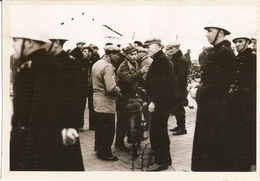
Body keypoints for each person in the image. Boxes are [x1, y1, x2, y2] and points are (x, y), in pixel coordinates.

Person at [10, 24, 69, 171]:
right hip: (40, 141)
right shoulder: (43, 64)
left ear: (29, 42)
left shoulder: (35, 67)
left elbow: (36, 112)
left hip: (34, 143)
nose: (13, 44)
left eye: (16, 40)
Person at [188, 19, 236, 171]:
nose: (206, 34)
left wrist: (198, 92)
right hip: (212, 108)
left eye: (210, 31)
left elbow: (220, 86)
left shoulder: (223, 53)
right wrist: (200, 85)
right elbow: (214, 79)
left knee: (212, 152)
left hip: (216, 110)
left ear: (220, 33)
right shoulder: (218, 51)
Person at [46, 31, 84, 171]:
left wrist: (69, 125)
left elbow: (74, 96)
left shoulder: (69, 63)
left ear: (56, 43)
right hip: (52, 122)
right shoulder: (49, 62)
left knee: (68, 162)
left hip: (64, 124)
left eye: (45, 42)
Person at [143, 38, 174, 171]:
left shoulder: (162, 61)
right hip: (161, 102)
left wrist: (154, 101)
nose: (147, 50)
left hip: (160, 103)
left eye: (148, 47)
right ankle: (164, 158)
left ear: (156, 47)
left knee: (157, 131)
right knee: (159, 130)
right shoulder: (161, 60)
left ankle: (161, 161)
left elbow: (163, 85)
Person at [227, 33, 256, 171]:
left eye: (240, 41)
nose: (237, 44)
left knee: (248, 128)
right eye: (235, 42)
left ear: (247, 42)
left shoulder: (253, 58)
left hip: (248, 99)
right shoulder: (238, 57)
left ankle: (250, 158)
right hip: (238, 98)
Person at [115, 44, 149, 151]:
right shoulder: (123, 66)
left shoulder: (134, 63)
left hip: (132, 94)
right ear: (126, 55)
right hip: (123, 96)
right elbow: (128, 79)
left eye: (135, 54)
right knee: (123, 120)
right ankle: (119, 142)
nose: (134, 56)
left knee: (137, 115)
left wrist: (142, 86)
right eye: (132, 54)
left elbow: (137, 80)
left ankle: (134, 137)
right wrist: (141, 72)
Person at [92, 45, 122, 161]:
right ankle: (105, 153)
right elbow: (110, 88)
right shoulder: (108, 66)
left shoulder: (97, 63)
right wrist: (118, 90)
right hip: (106, 101)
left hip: (97, 99)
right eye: (117, 55)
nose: (118, 57)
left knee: (100, 127)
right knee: (108, 129)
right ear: (111, 54)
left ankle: (99, 150)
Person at [168, 41, 189, 135]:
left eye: (171, 48)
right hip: (176, 88)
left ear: (177, 48)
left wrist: (172, 83)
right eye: (169, 48)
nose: (170, 50)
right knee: (176, 107)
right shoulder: (176, 58)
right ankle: (179, 125)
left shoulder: (181, 59)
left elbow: (181, 75)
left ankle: (182, 128)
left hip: (179, 88)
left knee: (179, 108)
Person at [77, 46, 97, 130]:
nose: (83, 53)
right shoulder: (81, 62)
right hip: (83, 87)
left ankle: (93, 125)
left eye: (85, 51)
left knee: (92, 106)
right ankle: (79, 124)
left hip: (92, 86)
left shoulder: (95, 61)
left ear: (90, 53)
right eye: (83, 51)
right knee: (80, 105)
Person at [136, 46, 153, 130]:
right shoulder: (146, 60)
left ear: (144, 53)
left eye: (139, 52)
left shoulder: (145, 61)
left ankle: (148, 122)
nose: (137, 54)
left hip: (146, 86)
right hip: (147, 86)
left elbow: (145, 76)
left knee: (146, 105)